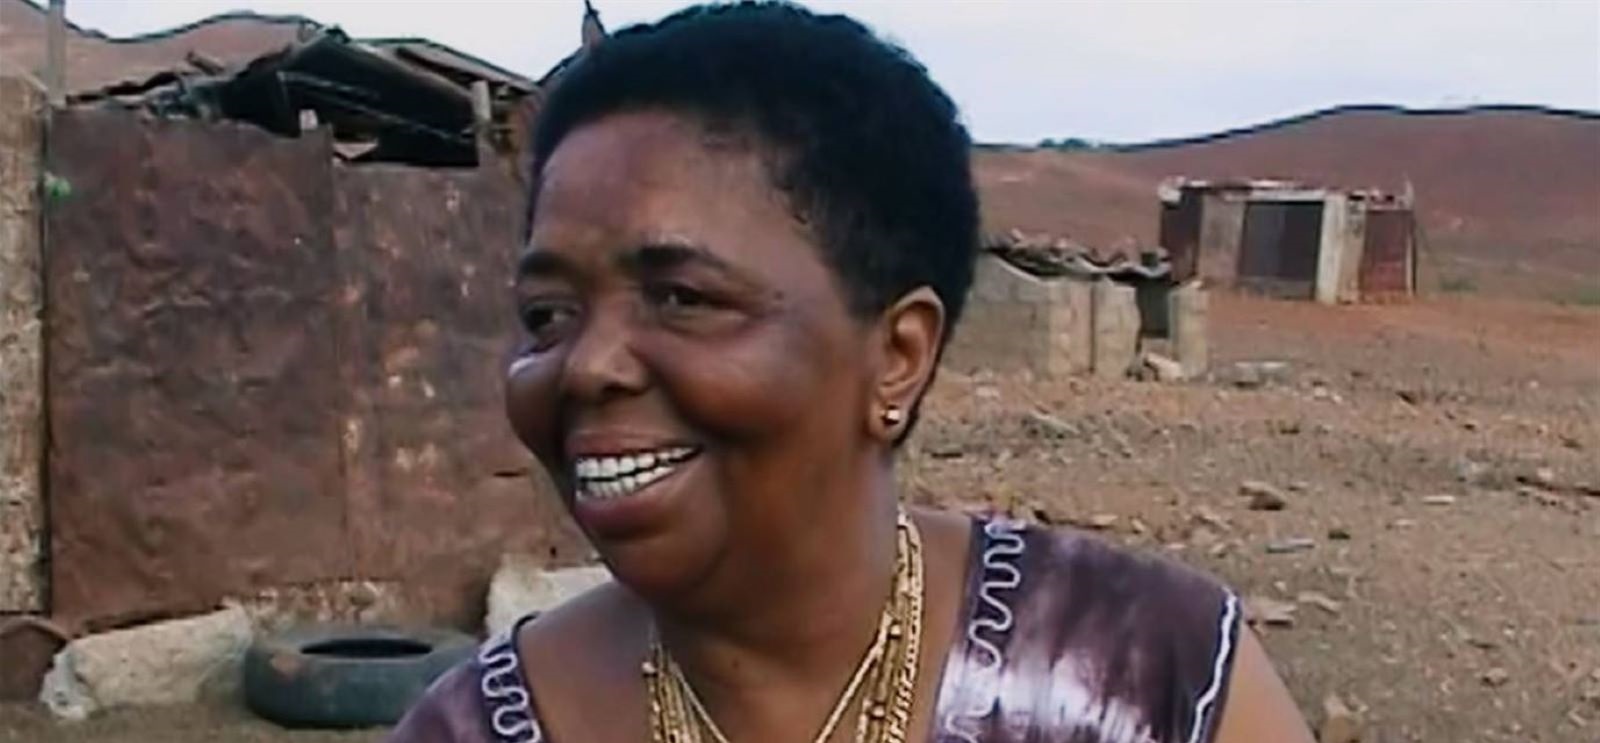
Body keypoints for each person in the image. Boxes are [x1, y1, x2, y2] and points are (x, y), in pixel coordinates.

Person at [390, 3, 1314, 741]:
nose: (587, 365)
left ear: (898, 355)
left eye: (680, 296)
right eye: (548, 315)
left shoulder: (1148, 679)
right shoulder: (477, 726)